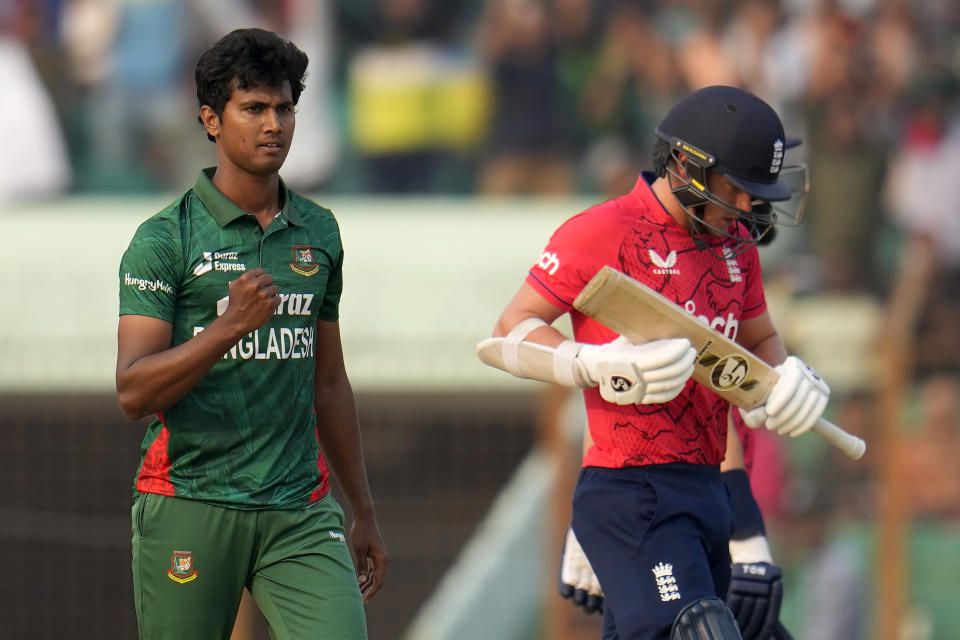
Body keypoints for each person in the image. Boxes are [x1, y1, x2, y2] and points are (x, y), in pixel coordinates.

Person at [478, 85, 827, 639]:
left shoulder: (734, 246)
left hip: (707, 488)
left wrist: (782, 378)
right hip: (630, 493)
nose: (747, 208)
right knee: (699, 632)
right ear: (687, 166)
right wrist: (588, 362)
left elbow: (760, 341)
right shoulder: (601, 231)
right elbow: (510, 329)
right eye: (737, 188)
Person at [115, 28, 388, 640]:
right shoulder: (165, 240)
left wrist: (363, 509)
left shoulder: (318, 230)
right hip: (191, 499)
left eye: (285, 107)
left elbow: (330, 379)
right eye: (254, 108)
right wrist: (229, 326)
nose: (275, 125)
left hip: (299, 508)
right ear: (211, 119)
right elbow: (133, 393)